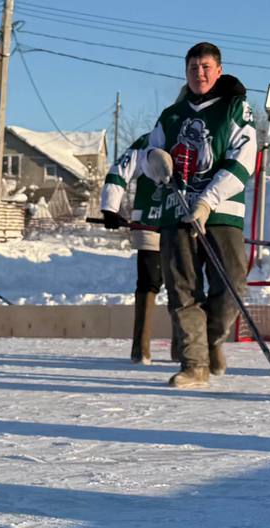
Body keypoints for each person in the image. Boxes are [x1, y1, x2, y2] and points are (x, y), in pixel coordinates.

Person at [131, 43, 256, 387]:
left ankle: (211, 339)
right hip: (177, 213)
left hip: (221, 213)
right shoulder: (171, 116)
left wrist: (208, 201)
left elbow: (243, 158)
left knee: (231, 286)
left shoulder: (234, 108)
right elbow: (147, 154)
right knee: (182, 290)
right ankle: (195, 363)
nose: (199, 73)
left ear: (218, 70)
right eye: (192, 67)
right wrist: (155, 161)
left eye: (205, 67)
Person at [100, 133, 165, 363]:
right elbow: (119, 171)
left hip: (184, 221)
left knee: (184, 285)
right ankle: (141, 348)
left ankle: (185, 350)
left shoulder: (197, 138)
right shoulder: (148, 142)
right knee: (148, 282)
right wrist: (110, 207)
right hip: (149, 219)